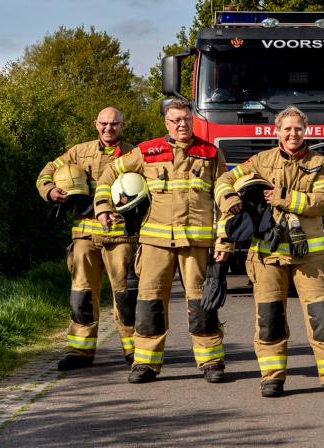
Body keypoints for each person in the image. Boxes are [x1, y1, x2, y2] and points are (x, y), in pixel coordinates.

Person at [214, 106, 324, 399]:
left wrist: (281, 197)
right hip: (267, 256)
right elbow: (224, 180)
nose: (293, 134)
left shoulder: (319, 163)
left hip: (309, 257)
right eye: (287, 129)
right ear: (277, 131)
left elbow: (321, 202)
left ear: (305, 131)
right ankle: (272, 378)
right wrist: (230, 200)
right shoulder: (261, 160)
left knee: (323, 317)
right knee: (270, 320)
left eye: (298, 129)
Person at [94, 99, 228, 384]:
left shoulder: (210, 153)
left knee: (202, 304)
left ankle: (211, 361)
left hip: (196, 242)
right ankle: (145, 363)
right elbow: (109, 174)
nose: (182, 125)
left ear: (192, 120)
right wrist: (103, 206)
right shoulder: (147, 151)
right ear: (166, 123)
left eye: (186, 119)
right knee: (149, 303)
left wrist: (225, 237)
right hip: (155, 243)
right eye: (176, 120)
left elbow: (223, 193)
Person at [36, 107, 136, 370]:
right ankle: (79, 352)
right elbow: (47, 171)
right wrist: (50, 191)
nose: (108, 128)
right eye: (103, 123)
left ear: (122, 126)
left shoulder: (133, 153)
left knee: (126, 295)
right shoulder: (78, 152)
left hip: (121, 236)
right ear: (96, 124)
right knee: (82, 295)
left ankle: (135, 351)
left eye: (113, 124)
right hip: (85, 235)